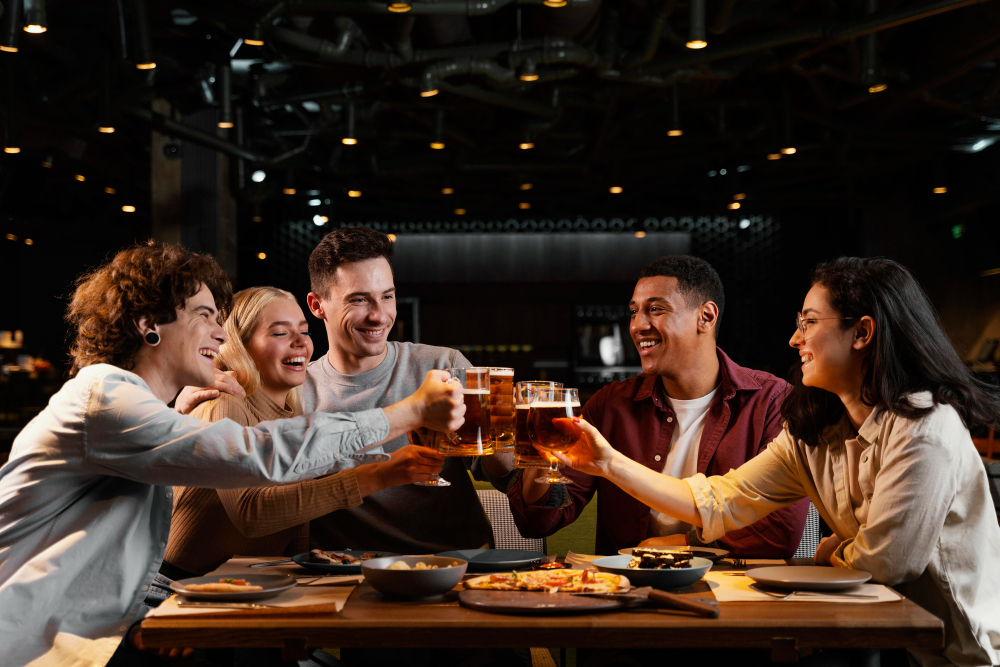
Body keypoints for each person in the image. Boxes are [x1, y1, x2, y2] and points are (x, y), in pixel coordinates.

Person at [0, 242, 464, 667]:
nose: (221, 334)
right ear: (149, 326)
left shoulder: (141, 407)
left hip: (122, 613)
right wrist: (406, 413)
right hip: (45, 635)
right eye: (204, 315)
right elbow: (254, 457)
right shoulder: (106, 398)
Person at [555, 257, 1000, 667]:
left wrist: (834, 550)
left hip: (965, 651)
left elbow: (886, 565)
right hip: (898, 642)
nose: (794, 338)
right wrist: (609, 462)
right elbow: (720, 499)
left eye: (808, 322)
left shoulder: (924, 425)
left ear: (862, 333)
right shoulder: (817, 429)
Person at [506, 256, 809, 557]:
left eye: (656, 309)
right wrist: (540, 459)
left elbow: (778, 532)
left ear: (706, 317)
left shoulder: (773, 402)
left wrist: (686, 544)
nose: (637, 325)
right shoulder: (611, 405)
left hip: (735, 590)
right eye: (634, 311)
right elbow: (539, 521)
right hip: (627, 590)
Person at [163, 286, 446, 578]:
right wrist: (378, 475)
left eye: (304, 331)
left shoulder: (294, 411)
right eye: (280, 333)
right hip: (178, 589)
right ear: (240, 346)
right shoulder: (222, 401)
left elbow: (295, 525)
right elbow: (250, 514)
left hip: (253, 584)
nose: (301, 343)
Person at [301, 226, 509, 554]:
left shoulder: (443, 365)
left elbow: (506, 476)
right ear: (317, 305)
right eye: (359, 300)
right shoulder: (296, 391)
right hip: (342, 575)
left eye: (387, 296)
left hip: (455, 567)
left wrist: (502, 434)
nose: (380, 315)